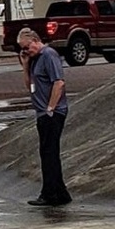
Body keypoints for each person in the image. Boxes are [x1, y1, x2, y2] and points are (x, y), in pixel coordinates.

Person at [17, 27, 72, 207]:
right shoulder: (34, 60)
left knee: (48, 153)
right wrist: (25, 64)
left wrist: (51, 107)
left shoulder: (49, 55)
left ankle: (49, 193)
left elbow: (59, 82)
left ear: (35, 40)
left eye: (27, 47)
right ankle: (60, 191)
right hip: (41, 112)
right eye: (22, 49)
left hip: (52, 112)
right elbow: (29, 84)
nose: (25, 51)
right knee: (48, 152)